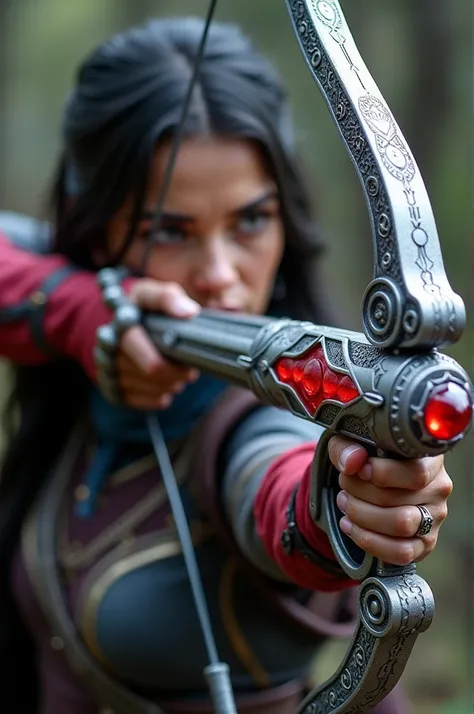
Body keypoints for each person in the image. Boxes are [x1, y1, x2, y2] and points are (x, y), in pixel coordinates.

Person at [0, 16, 451, 714]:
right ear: (97, 228)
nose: (220, 276)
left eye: (250, 222)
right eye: (167, 231)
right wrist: (87, 313)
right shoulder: (83, 334)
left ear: (285, 221)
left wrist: (346, 502)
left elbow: (279, 489)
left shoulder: (262, 417)